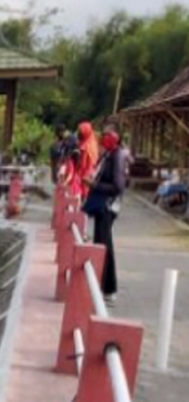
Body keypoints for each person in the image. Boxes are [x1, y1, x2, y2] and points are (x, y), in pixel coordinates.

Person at [83, 124, 127, 301]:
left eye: (108, 135)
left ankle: (109, 289)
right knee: (100, 243)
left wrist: (94, 185)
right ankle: (101, 285)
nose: (104, 138)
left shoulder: (118, 156)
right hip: (102, 205)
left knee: (105, 246)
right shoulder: (108, 154)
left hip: (108, 206)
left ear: (116, 137)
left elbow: (118, 186)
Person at [73, 121, 99, 201]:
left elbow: (82, 164)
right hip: (92, 173)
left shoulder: (85, 146)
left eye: (81, 132)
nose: (79, 134)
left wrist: (76, 172)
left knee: (80, 196)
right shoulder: (93, 143)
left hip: (84, 174)